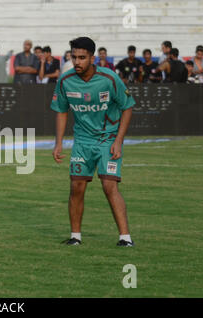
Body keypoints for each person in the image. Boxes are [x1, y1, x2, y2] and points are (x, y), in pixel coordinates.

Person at [51, 36, 135, 247]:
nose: (77, 62)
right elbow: (61, 111)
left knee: (109, 186)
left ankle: (125, 238)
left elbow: (127, 106)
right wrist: (59, 143)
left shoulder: (109, 78)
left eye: (82, 57)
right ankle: (75, 237)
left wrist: (118, 140)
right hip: (82, 141)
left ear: (92, 58)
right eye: (74, 57)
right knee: (77, 186)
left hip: (108, 140)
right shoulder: (65, 80)